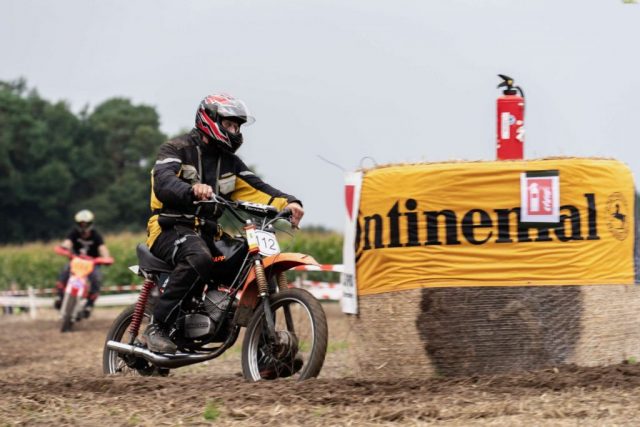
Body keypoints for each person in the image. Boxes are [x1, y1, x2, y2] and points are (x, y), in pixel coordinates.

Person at [142, 93, 304, 354]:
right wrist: (191, 190)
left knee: (254, 263)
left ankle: (266, 351)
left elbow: (259, 188)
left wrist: (290, 202)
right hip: (169, 228)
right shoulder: (176, 149)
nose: (234, 131)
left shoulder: (230, 163)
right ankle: (157, 327)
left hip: (208, 233)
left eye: (237, 126)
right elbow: (163, 182)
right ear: (210, 120)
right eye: (229, 124)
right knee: (198, 257)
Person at [54, 209, 111, 317]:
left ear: (90, 223)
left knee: (97, 278)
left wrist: (107, 258)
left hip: (92, 264)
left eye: (86, 224)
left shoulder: (96, 235)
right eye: (81, 224)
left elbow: (102, 248)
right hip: (76, 262)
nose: (83, 226)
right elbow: (67, 243)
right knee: (65, 271)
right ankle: (59, 297)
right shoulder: (74, 233)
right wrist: (63, 248)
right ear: (77, 224)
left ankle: (89, 304)